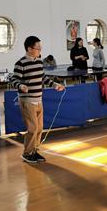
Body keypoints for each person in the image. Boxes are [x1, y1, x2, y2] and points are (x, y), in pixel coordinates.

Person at [9, 36, 65, 164]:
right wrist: (20, 86)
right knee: (32, 129)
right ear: (29, 49)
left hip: (38, 99)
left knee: (39, 128)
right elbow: (14, 80)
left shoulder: (39, 61)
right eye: (37, 47)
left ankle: (34, 150)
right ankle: (27, 153)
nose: (40, 50)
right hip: (27, 101)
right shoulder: (21, 63)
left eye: (40, 47)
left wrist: (54, 85)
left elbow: (42, 77)